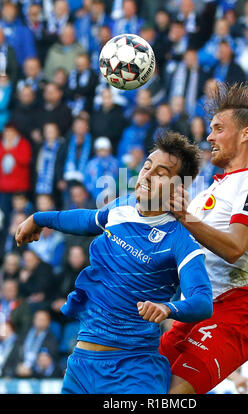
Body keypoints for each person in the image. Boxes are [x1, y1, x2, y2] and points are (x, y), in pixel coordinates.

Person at [15, 131, 213, 394]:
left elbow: (203, 301)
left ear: (179, 188)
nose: (148, 176)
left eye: (161, 173)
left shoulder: (181, 240)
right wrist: (39, 218)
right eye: (146, 167)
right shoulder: (122, 208)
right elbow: (86, 219)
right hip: (81, 365)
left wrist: (168, 308)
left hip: (133, 371)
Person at [159, 82, 248, 394]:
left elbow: (235, 248)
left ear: (245, 134)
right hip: (197, 307)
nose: (209, 137)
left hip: (238, 312)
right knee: (142, 384)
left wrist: (184, 216)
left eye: (218, 128)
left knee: (173, 394)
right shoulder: (206, 195)